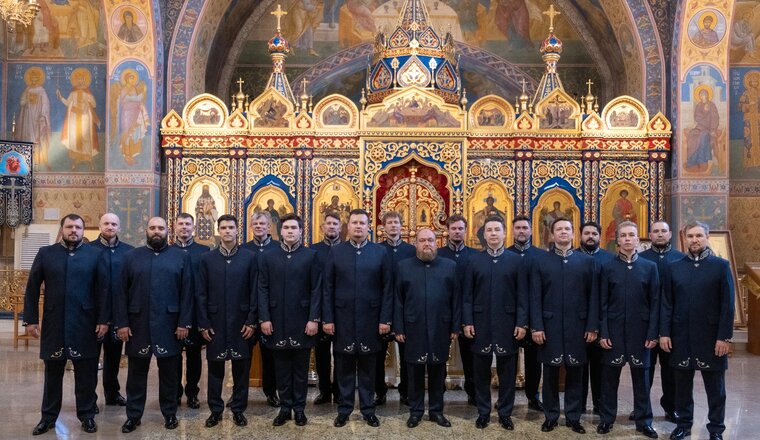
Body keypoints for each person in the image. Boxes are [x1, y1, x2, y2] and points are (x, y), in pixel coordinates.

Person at [24, 214, 107, 435]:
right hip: (54, 323)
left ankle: (87, 416)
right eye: (69, 226)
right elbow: (32, 287)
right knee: (53, 374)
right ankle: (48, 417)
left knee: (86, 375)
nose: (74, 230)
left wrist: (103, 320)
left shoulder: (95, 255)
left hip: (85, 323)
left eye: (78, 227)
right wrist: (31, 319)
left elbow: (103, 290)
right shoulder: (46, 253)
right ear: (62, 229)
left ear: (83, 230)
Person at [116, 217, 193, 433]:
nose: (156, 231)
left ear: (168, 231)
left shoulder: (181, 257)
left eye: (161, 228)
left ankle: (170, 413)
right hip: (137, 325)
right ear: (146, 231)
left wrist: (184, 323)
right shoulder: (131, 257)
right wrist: (122, 323)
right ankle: (133, 416)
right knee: (136, 375)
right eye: (152, 228)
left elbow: (187, 292)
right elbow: (120, 293)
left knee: (169, 375)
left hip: (170, 325)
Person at [660, 222, 734, 440]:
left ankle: (716, 429)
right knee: (682, 387)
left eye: (699, 235)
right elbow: (666, 303)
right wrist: (664, 333)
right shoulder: (674, 267)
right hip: (680, 336)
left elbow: (727, 305)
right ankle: (683, 425)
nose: (694, 240)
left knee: (716, 388)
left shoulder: (720, 266)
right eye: (690, 236)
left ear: (707, 236)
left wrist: (724, 337)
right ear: (684, 238)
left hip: (711, 338)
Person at [323, 208, 393, 428]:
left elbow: (387, 288)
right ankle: (344, 410)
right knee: (343, 367)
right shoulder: (336, 252)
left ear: (368, 227)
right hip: (342, 319)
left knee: (368, 369)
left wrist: (385, 319)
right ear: (348, 226)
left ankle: (368, 410)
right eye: (354, 223)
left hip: (371, 320)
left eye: (362, 223)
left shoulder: (380, 252)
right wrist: (327, 319)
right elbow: (328, 287)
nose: (358, 226)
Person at [531, 218, 599, 434]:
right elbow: (535, 296)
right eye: (559, 229)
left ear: (573, 234)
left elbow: (593, 297)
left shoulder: (586, 262)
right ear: (552, 235)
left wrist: (592, 326)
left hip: (578, 327)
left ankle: (573, 417)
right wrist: (537, 326)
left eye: (567, 229)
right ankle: (551, 416)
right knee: (550, 374)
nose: (563, 232)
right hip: (549, 327)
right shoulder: (541, 261)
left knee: (576, 373)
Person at [463, 215, 528, 430]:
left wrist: (521, 323)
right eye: (489, 230)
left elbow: (522, 295)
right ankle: (483, 412)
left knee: (507, 372)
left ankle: (505, 413)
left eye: (497, 230)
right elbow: (467, 295)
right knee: (480, 372)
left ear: (504, 233)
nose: (493, 233)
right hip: (480, 323)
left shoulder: (516, 260)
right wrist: (467, 321)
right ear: (484, 234)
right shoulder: (474, 260)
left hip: (508, 323)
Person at [596, 221, 659, 438]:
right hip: (613, 333)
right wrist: (603, 332)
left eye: (631, 235)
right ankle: (607, 419)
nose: (627, 239)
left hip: (641, 333)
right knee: (609, 380)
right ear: (618, 240)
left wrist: (652, 332)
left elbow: (655, 303)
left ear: (638, 239)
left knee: (642, 380)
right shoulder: (607, 267)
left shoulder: (650, 267)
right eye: (623, 235)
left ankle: (644, 421)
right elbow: (602, 303)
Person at [259, 214, 321, 426]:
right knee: (282, 370)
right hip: (276, 321)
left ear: (301, 231)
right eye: (286, 228)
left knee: (300, 371)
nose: (290, 231)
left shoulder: (310, 256)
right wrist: (264, 318)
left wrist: (314, 319)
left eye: (294, 227)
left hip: (303, 321)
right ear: (281, 231)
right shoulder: (269, 256)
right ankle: (285, 409)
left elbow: (316, 289)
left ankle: (300, 409)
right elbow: (262, 288)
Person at [395, 228, 460, 428]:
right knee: (414, 371)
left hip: (441, 326)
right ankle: (415, 412)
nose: (427, 244)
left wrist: (455, 326)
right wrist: (399, 328)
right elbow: (398, 300)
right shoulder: (404, 266)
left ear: (436, 243)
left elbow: (456, 299)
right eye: (422, 240)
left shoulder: (449, 266)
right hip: (412, 328)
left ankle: (436, 411)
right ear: (416, 243)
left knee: (437, 371)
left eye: (430, 240)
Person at [196, 215, 257, 428]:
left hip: (242, 322)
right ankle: (215, 410)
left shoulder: (249, 257)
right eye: (223, 227)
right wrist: (203, 323)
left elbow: (255, 291)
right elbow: (201, 293)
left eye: (231, 227)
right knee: (215, 369)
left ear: (237, 230)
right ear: (218, 230)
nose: (227, 231)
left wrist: (251, 321)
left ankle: (239, 409)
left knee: (241, 369)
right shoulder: (207, 258)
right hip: (215, 322)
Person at [640, 220, 684, 423]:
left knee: (671, 371)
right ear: (650, 235)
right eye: (655, 231)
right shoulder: (641, 259)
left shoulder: (681, 259)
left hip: (672, 326)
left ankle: (671, 407)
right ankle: (642, 407)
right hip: (646, 325)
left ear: (670, 234)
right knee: (644, 370)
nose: (659, 234)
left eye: (663, 231)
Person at [90, 213, 134, 410]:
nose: (110, 227)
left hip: (119, 314)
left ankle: (112, 393)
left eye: (114, 224)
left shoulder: (129, 252)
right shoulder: (89, 250)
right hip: (94, 315)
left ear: (119, 227)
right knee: (91, 359)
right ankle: (89, 398)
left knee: (114, 357)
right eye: (106, 223)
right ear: (100, 226)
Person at [437, 214, 479, 406]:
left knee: (471, 357)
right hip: (444, 313)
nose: (457, 232)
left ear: (466, 230)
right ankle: (438, 393)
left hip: (469, 314)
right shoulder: (438, 254)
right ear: (447, 231)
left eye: (460, 228)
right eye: (453, 228)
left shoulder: (475, 256)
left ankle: (474, 393)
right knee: (439, 356)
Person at [506, 215, 546, 412]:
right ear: (512, 231)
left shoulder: (541, 256)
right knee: (508, 361)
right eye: (518, 228)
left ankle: (533, 397)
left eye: (525, 228)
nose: (521, 231)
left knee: (534, 362)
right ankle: (507, 399)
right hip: (510, 317)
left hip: (535, 317)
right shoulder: (505, 254)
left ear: (531, 230)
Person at [376, 211, 415, 406]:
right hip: (380, 309)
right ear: (383, 227)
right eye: (389, 223)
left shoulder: (411, 250)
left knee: (407, 355)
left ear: (401, 226)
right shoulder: (377, 250)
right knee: (377, 355)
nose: (393, 226)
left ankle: (406, 391)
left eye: (396, 222)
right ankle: (379, 391)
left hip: (405, 309)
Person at [577, 221, 615, 415]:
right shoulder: (572, 257)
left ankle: (600, 405)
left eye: (594, 233)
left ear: (600, 236)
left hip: (604, 322)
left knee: (601, 368)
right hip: (578, 322)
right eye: (587, 233)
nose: (590, 236)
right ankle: (579, 405)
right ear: (580, 236)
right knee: (579, 367)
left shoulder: (610, 259)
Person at [242, 211, 280, 407]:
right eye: (255, 224)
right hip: (246, 312)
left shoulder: (278, 248)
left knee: (270, 356)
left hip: (269, 312)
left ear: (269, 226)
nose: (259, 226)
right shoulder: (243, 249)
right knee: (243, 357)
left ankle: (271, 392)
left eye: (262, 224)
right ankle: (239, 393)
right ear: (251, 226)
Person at [172, 213, 209, 409]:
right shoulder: (168, 251)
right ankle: (175, 393)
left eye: (188, 224)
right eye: (181, 224)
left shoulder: (204, 251)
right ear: (175, 227)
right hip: (173, 312)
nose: (184, 227)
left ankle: (193, 393)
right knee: (174, 355)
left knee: (194, 356)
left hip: (195, 312)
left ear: (193, 227)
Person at [312, 212, 342, 405]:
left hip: (341, 309)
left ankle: (339, 391)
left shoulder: (346, 250)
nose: (331, 226)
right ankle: (324, 391)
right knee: (321, 354)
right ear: (322, 227)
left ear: (340, 228)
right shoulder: (313, 251)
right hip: (320, 308)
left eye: (335, 224)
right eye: (328, 223)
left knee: (340, 353)